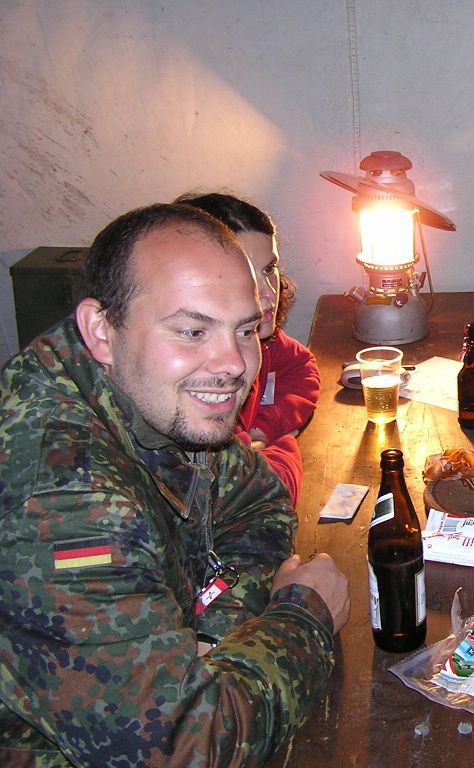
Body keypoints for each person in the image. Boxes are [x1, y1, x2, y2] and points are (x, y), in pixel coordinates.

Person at [0, 203, 350, 766]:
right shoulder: (60, 505)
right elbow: (183, 751)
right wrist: (303, 616)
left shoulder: (151, 391)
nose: (233, 363)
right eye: (192, 331)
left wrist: (213, 631)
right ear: (101, 330)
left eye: (244, 330)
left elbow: (258, 504)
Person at [176, 192, 320, 504]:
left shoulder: (262, 341)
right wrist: (286, 442)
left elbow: (301, 367)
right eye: (246, 273)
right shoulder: (202, 376)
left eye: (269, 269)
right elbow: (268, 493)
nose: (267, 292)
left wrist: (263, 429)